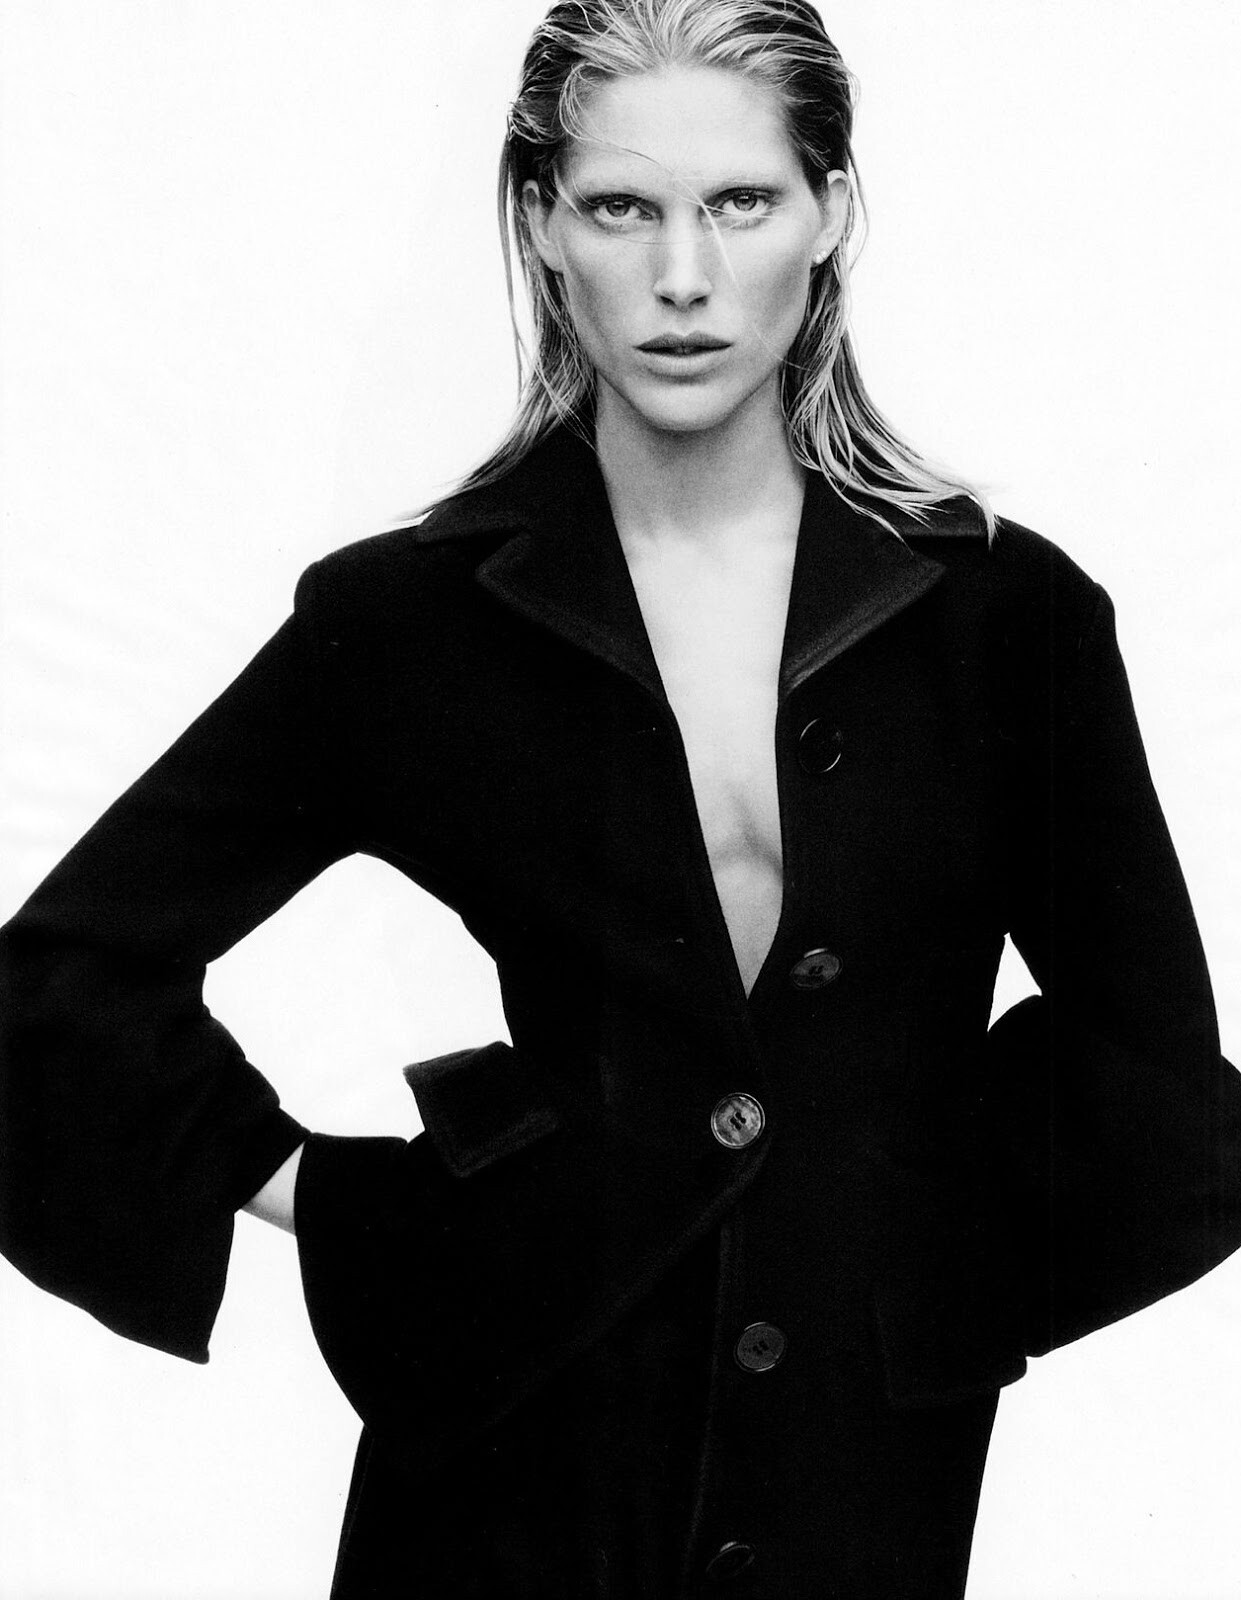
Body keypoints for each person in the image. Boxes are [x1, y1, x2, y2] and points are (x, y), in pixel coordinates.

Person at [1, 1, 1238, 1595]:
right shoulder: (410, 623)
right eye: (619, 206)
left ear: (830, 211)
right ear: (540, 222)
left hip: (856, 1481)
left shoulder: (1004, 622)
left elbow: (1154, 1084)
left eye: (740, 201)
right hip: (514, 1458)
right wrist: (357, 1209)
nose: (682, 276)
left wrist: (906, 1247)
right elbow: (57, 983)